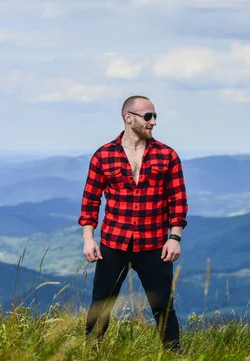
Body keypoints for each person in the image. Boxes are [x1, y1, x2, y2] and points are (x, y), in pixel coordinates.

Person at [77, 95, 188, 351]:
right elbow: (90, 200)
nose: (153, 122)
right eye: (148, 116)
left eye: (155, 116)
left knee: (163, 307)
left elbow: (178, 201)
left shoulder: (167, 155)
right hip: (113, 244)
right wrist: (88, 237)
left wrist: (175, 237)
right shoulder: (103, 155)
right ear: (129, 117)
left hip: (153, 246)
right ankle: (90, 354)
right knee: (101, 305)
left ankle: (174, 355)